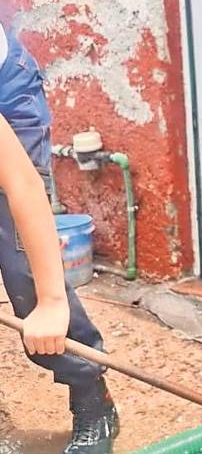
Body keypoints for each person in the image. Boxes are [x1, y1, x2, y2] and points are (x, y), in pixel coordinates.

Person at [0, 29, 118, 453]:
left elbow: (22, 186)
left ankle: (92, 396)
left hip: (6, 95)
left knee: (25, 268)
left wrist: (51, 303)